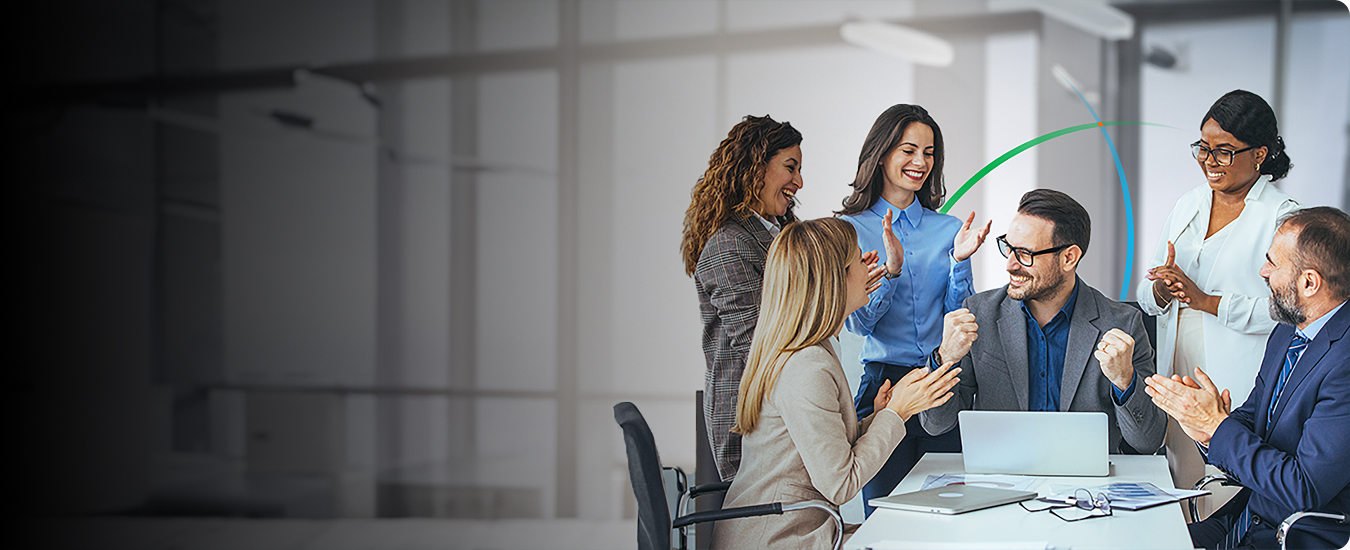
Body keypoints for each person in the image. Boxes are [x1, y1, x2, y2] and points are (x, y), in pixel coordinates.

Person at [711, 218, 960, 550]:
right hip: (780, 539)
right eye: (859, 259)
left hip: (797, 527)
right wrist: (897, 413)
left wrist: (879, 415)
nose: (869, 265)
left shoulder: (811, 349)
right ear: (836, 279)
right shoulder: (806, 366)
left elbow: (823, 446)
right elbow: (840, 484)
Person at [685, 115, 884, 481]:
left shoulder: (782, 233)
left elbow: (801, 318)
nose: (799, 182)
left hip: (788, 409)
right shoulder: (729, 246)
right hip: (751, 422)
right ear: (753, 167)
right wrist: (837, 296)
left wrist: (844, 282)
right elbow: (763, 345)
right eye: (790, 167)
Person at [1145, 207, 1350, 550]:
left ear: (1309, 282)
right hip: (1246, 517)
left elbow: (1304, 487)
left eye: (1273, 263)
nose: (1263, 271)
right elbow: (1255, 419)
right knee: (1136, 538)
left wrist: (1217, 426)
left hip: (1291, 534)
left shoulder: (1344, 363)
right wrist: (1207, 429)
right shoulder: (1288, 333)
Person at [1135, 89, 1300, 490]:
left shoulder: (1283, 216)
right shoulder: (1187, 204)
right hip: (1178, 364)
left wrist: (1206, 301)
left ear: (1259, 154)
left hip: (1236, 374)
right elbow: (1146, 292)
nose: (1209, 161)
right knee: (1179, 487)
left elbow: (1289, 311)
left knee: (1226, 485)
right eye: (1203, 148)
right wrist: (1163, 290)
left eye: (1223, 151)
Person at [920, 189, 1166, 455]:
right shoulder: (979, 314)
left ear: (1068, 258)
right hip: (999, 482)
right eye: (1009, 248)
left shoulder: (1121, 324)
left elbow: (1148, 440)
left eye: (1025, 253)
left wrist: (1124, 380)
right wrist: (944, 358)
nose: (1011, 265)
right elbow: (935, 425)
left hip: (1086, 486)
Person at [836, 104, 990, 515]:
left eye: (929, 152)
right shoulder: (849, 230)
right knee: (886, 517)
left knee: (952, 512)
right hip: (884, 386)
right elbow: (859, 322)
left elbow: (958, 319)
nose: (921, 162)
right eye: (909, 150)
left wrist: (959, 262)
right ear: (882, 153)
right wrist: (891, 272)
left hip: (941, 379)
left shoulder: (948, 229)